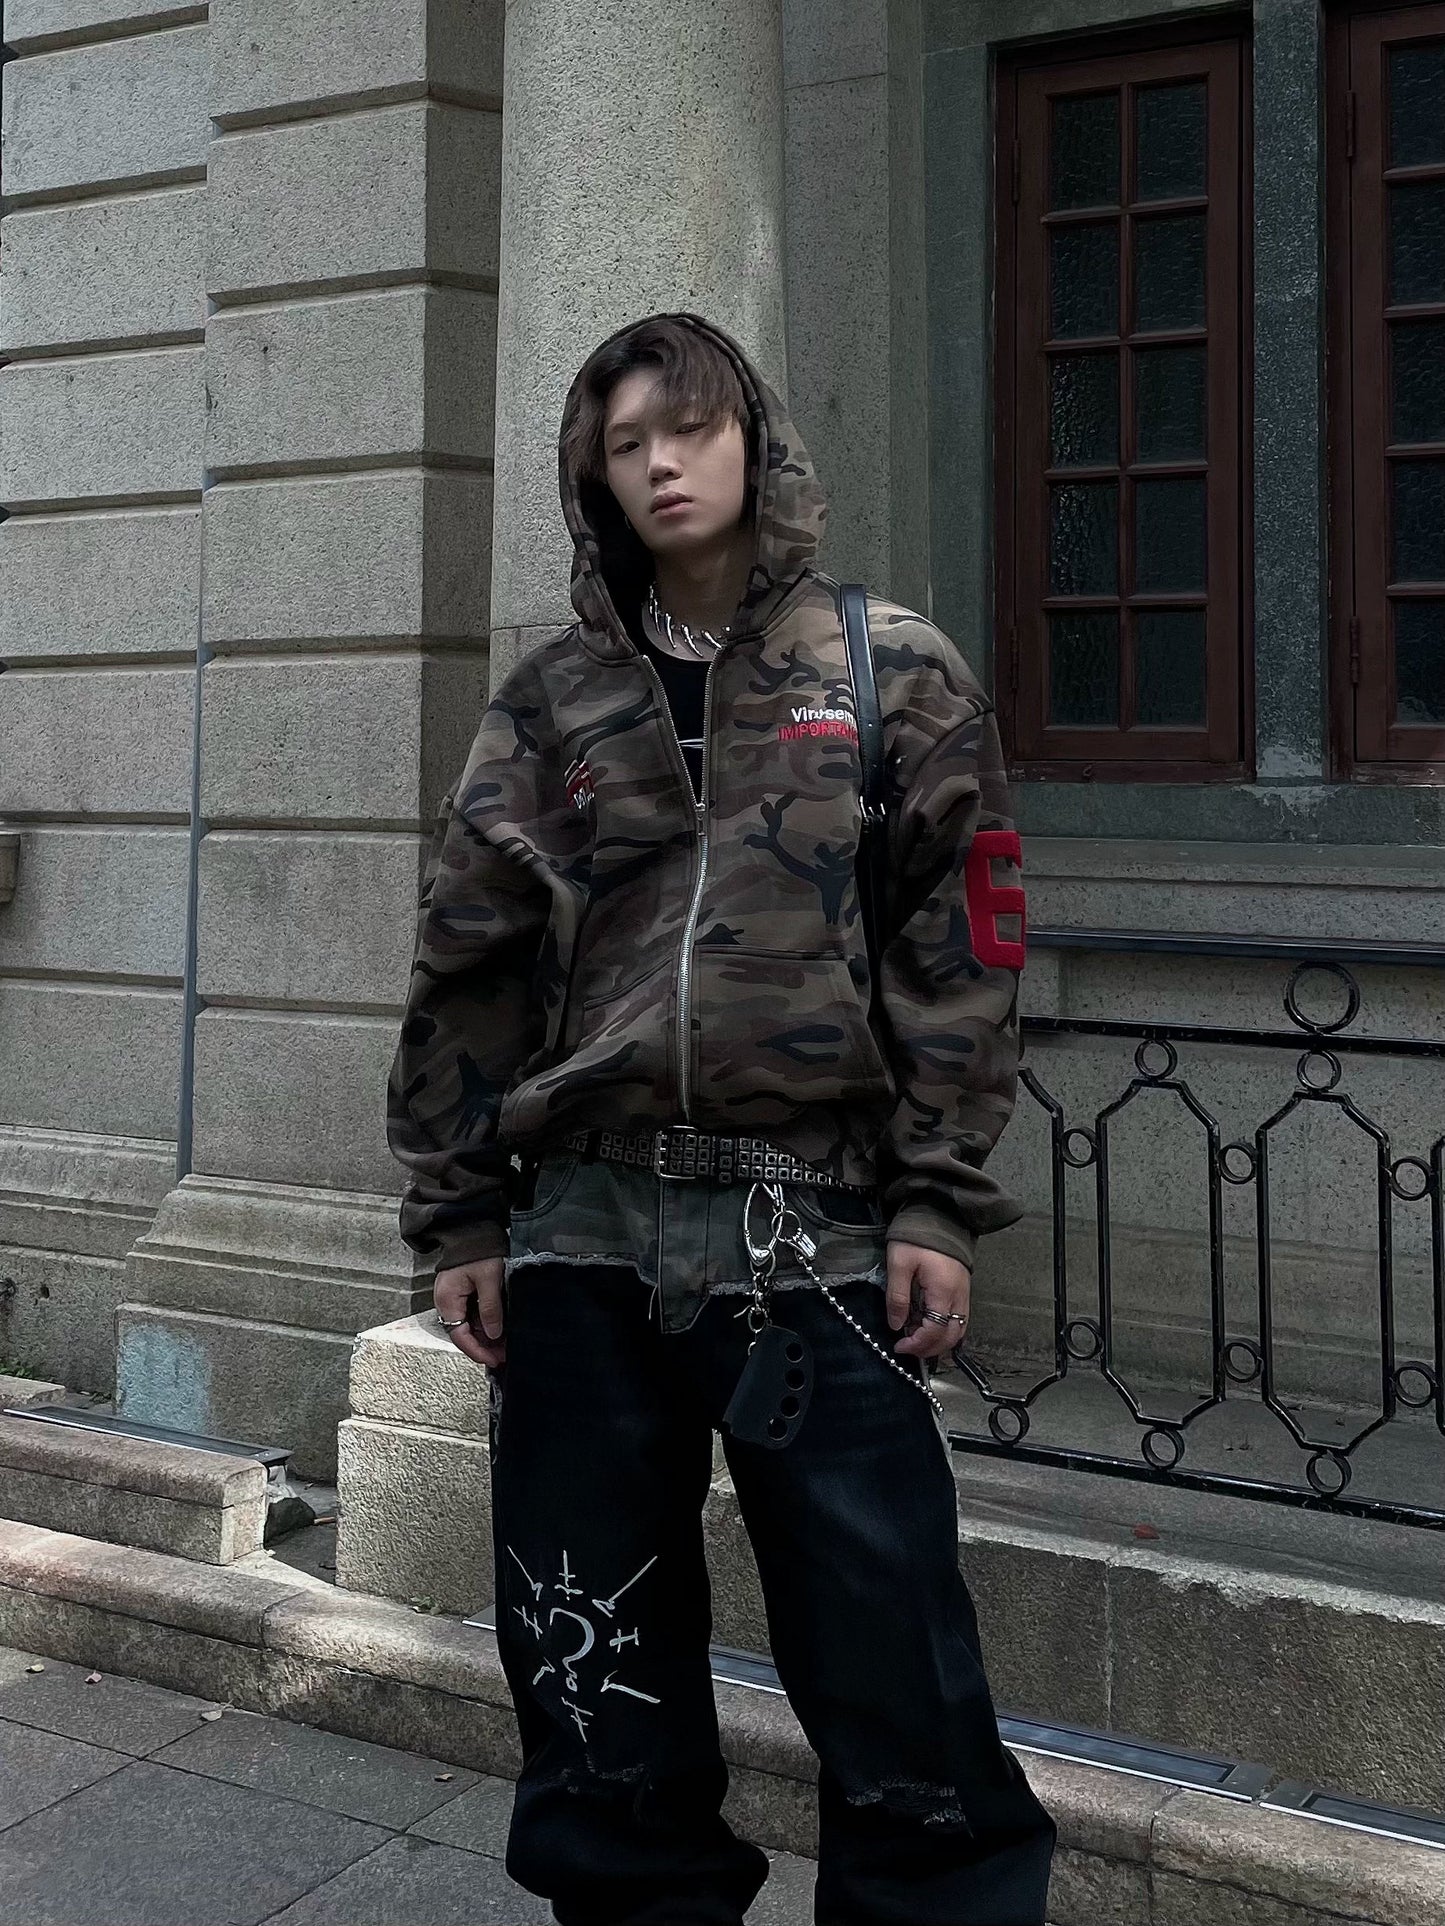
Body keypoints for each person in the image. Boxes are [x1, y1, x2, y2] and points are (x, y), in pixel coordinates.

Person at [387, 313, 1056, 1926]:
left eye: (686, 429)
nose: (661, 465)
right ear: (592, 479)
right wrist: (459, 1211)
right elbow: (468, 958)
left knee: (893, 1657)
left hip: (809, 1230)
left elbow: (961, 946)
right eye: (624, 445)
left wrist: (934, 1198)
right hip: (583, 1232)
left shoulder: (890, 667)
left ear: (753, 438)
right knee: (590, 1661)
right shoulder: (552, 700)